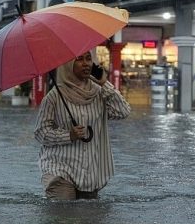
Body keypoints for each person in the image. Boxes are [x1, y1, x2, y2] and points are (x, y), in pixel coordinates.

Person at [34, 50, 131, 200]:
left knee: (88, 220)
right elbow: (41, 132)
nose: (86, 63)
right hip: (59, 169)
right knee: (64, 213)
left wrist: (104, 83)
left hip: (89, 171)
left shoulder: (100, 92)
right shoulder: (54, 97)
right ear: (68, 65)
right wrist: (68, 135)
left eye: (88, 58)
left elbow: (123, 111)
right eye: (79, 59)